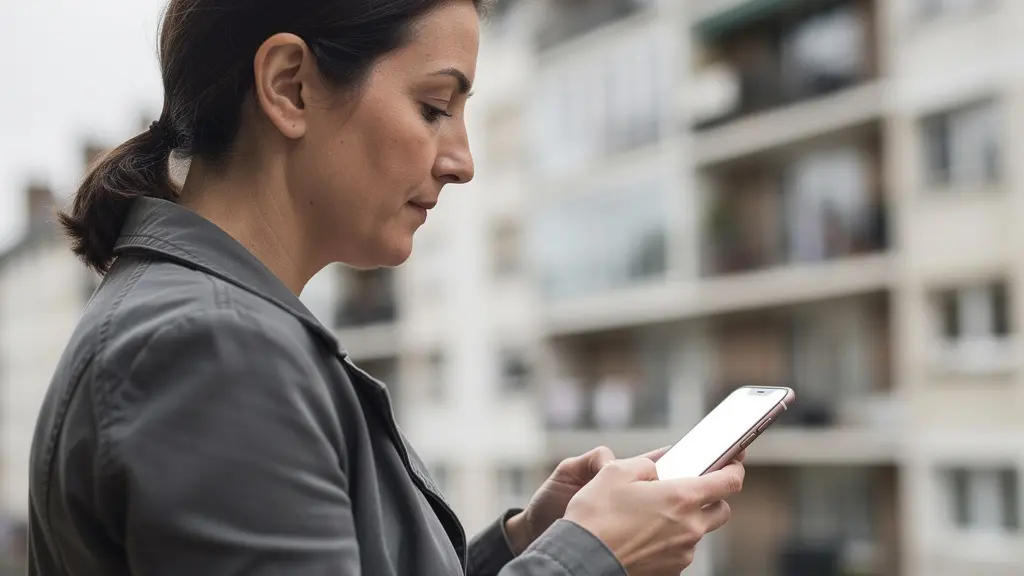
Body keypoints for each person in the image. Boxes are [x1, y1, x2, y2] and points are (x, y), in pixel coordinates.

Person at [28, 1, 746, 575]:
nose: (462, 161)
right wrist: (594, 559)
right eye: (435, 107)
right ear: (290, 86)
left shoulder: (211, 330)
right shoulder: (211, 350)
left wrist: (530, 543)